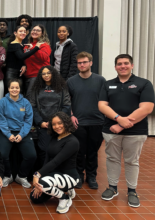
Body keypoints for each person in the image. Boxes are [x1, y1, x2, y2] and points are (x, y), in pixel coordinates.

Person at [98, 54, 154, 208]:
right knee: (112, 159)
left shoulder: (144, 83)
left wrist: (122, 124)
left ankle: (132, 191)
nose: (122, 66)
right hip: (111, 130)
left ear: (132, 65)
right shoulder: (108, 84)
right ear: (115, 66)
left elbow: (147, 108)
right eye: (119, 64)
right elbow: (102, 105)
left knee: (132, 161)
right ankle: (112, 188)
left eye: (126, 63)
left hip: (136, 132)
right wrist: (118, 118)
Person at [67, 51, 106, 189]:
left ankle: (91, 176)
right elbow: (67, 102)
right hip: (78, 124)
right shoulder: (71, 81)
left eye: (84, 62)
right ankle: (78, 175)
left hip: (97, 122)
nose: (82, 65)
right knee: (79, 151)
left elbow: (106, 100)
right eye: (79, 63)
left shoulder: (100, 80)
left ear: (91, 63)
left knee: (92, 152)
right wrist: (71, 115)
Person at [30, 112, 79, 214]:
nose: (57, 127)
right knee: (35, 198)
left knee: (42, 184)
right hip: (55, 174)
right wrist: (41, 178)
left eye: (60, 123)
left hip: (69, 176)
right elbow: (47, 159)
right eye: (54, 124)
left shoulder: (72, 142)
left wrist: (37, 175)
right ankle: (58, 189)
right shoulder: (54, 137)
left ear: (66, 123)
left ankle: (64, 197)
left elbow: (56, 161)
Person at [29, 66, 71, 168]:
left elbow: (67, 105)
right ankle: (43, 173)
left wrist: (56, 122)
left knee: (59, 150)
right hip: (43, 125)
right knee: (44, 150)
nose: (46, 75)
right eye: (43, 74)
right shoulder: (36, 88)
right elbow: (32, 107)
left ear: (53, 74)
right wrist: (40, 122)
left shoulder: (62, 87)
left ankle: (57, 174)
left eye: (48, 73)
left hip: (58, 125)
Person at [0, 78, 36, 188]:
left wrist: (21, 134)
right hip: (6, 132)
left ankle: (21, 176)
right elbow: (1, 120)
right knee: (2, 154)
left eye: (17, 87)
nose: (14, 89)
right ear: (8, 89)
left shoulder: (26, 103)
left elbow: (28, 121)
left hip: (22, 131)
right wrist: (9, 134)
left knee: (31, 155)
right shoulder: (2, 102)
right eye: (12, 87)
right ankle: (7, 175)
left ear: (20, 89)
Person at [4, 26, 43, 94]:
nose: (23, 33)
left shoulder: (21, 45)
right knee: (12, 94)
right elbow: (21, 56)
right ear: (15, 33)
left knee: (20, 94)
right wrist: (36, 47)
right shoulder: (14, 44)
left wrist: (24, 65)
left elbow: (18, 59)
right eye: (20, 31)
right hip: (12, 74)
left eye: (24, 31)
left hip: (19, 73)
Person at [23, 24, 51, 95]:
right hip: (26, 76)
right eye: (33, 30)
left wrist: (34, 48)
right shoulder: (27, 45)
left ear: (42, 33)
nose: (35, 32)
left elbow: (44, 57)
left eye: (38, 30)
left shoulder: (44, 45)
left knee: (31, 98)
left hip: (37, 76)